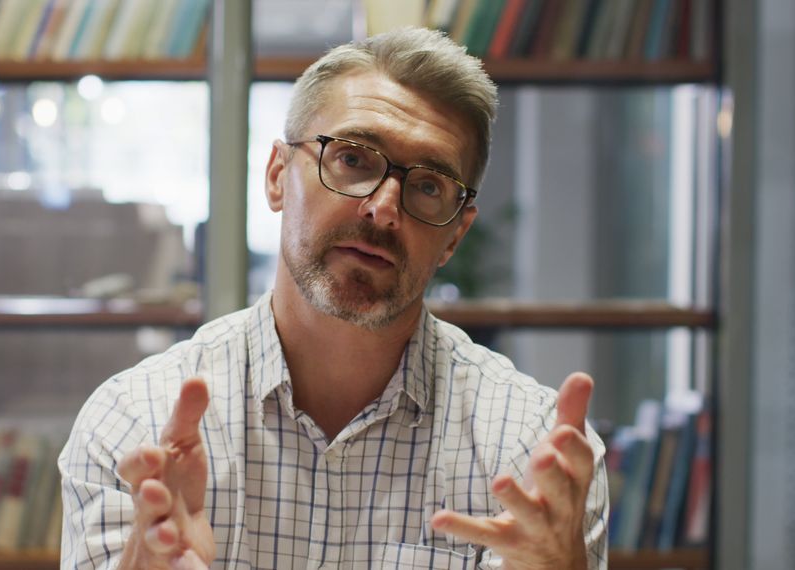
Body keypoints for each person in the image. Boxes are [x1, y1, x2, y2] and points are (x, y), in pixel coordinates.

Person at [59, 27, 608, 570]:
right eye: (353, 159)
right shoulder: (136, 423)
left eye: (427, 186)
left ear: (454, 236)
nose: (383, 208)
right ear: (277, 176)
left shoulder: (532, 452)